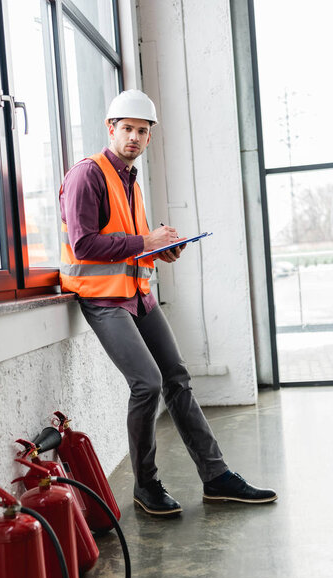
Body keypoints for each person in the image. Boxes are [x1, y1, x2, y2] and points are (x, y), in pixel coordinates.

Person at [59, 89, 277, 516]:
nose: (135, 138)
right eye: (128, 129)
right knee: (148, 383)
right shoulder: (88, 174)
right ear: (111, 129)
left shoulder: (130, 180)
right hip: (103, 300)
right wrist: (146, 240)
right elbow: (83, 244)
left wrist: (159, 250)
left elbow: (126, 245)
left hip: (138, 295)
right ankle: (146, 485)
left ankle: (216, 477)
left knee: (177, 376)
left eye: (143, 131)